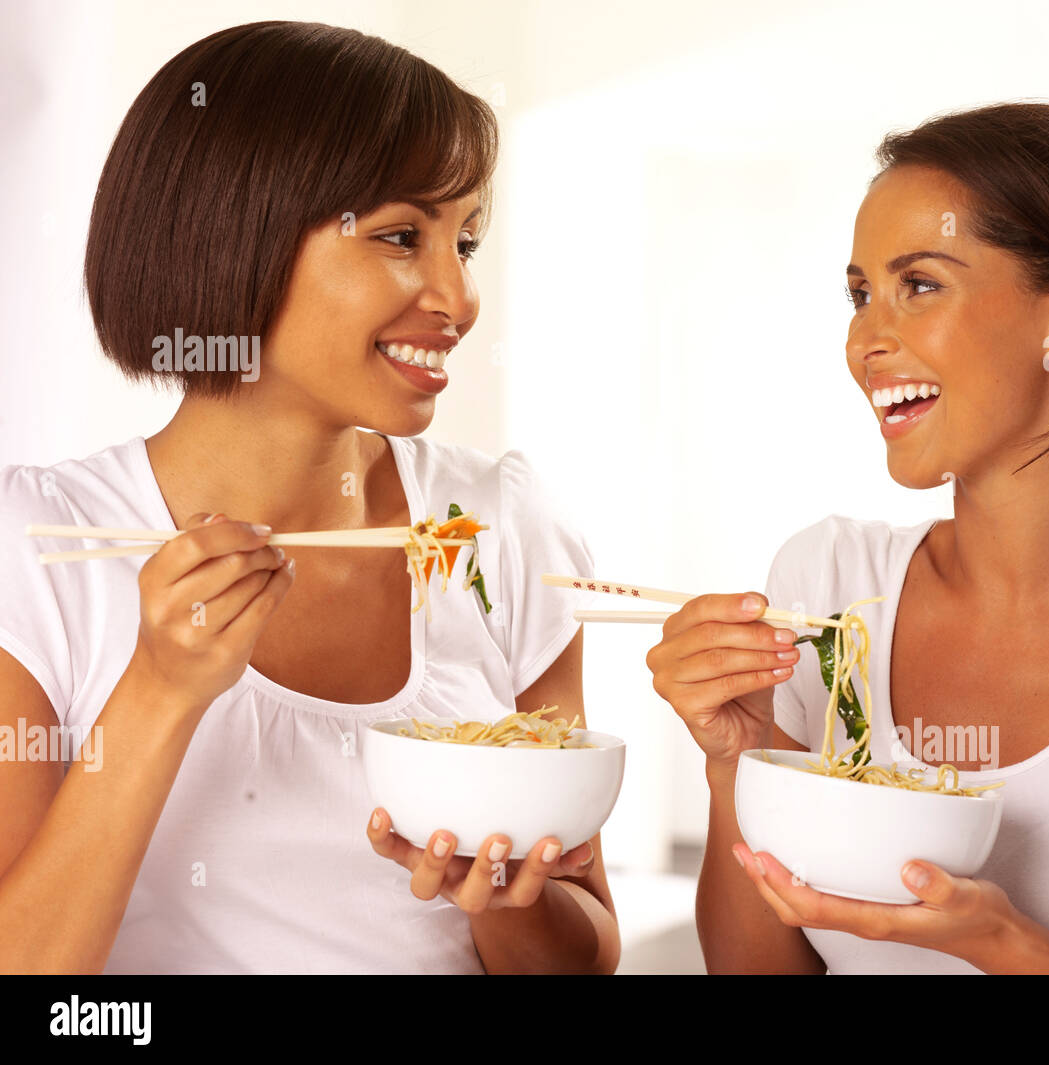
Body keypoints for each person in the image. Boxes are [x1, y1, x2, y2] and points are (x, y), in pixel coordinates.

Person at [0, 21, 618, 975]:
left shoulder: (496, 526)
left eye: (467, 240)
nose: (458, 297)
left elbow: (580, 957)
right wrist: (160, 690)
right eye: (404, 237)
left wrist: (499, 895)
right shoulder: (39, 548)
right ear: (231, 230)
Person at [647, 101, 1049, 974]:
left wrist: (1004, 942)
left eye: (919, 285)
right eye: (859, 294)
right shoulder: (831, 586)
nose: (865, 340)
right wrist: (739, 761)